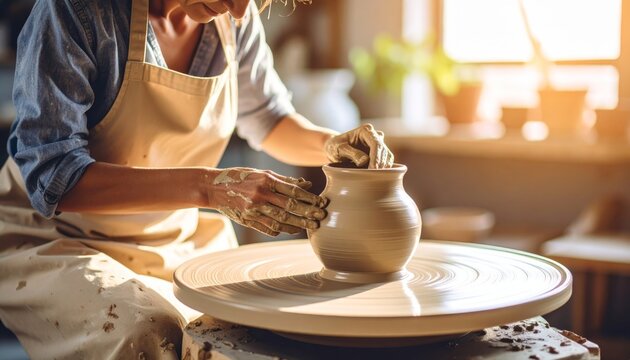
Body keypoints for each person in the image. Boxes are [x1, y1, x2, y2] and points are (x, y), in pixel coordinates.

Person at [0, 0, 394, 358]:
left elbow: (268, 118)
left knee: (252, 332)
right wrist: (210, 187)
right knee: (151, 332)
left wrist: (331, 144)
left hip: (174, 238)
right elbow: (53, 176)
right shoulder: (78, 12)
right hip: (54, 240)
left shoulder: (234, 18)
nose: (241, 12)